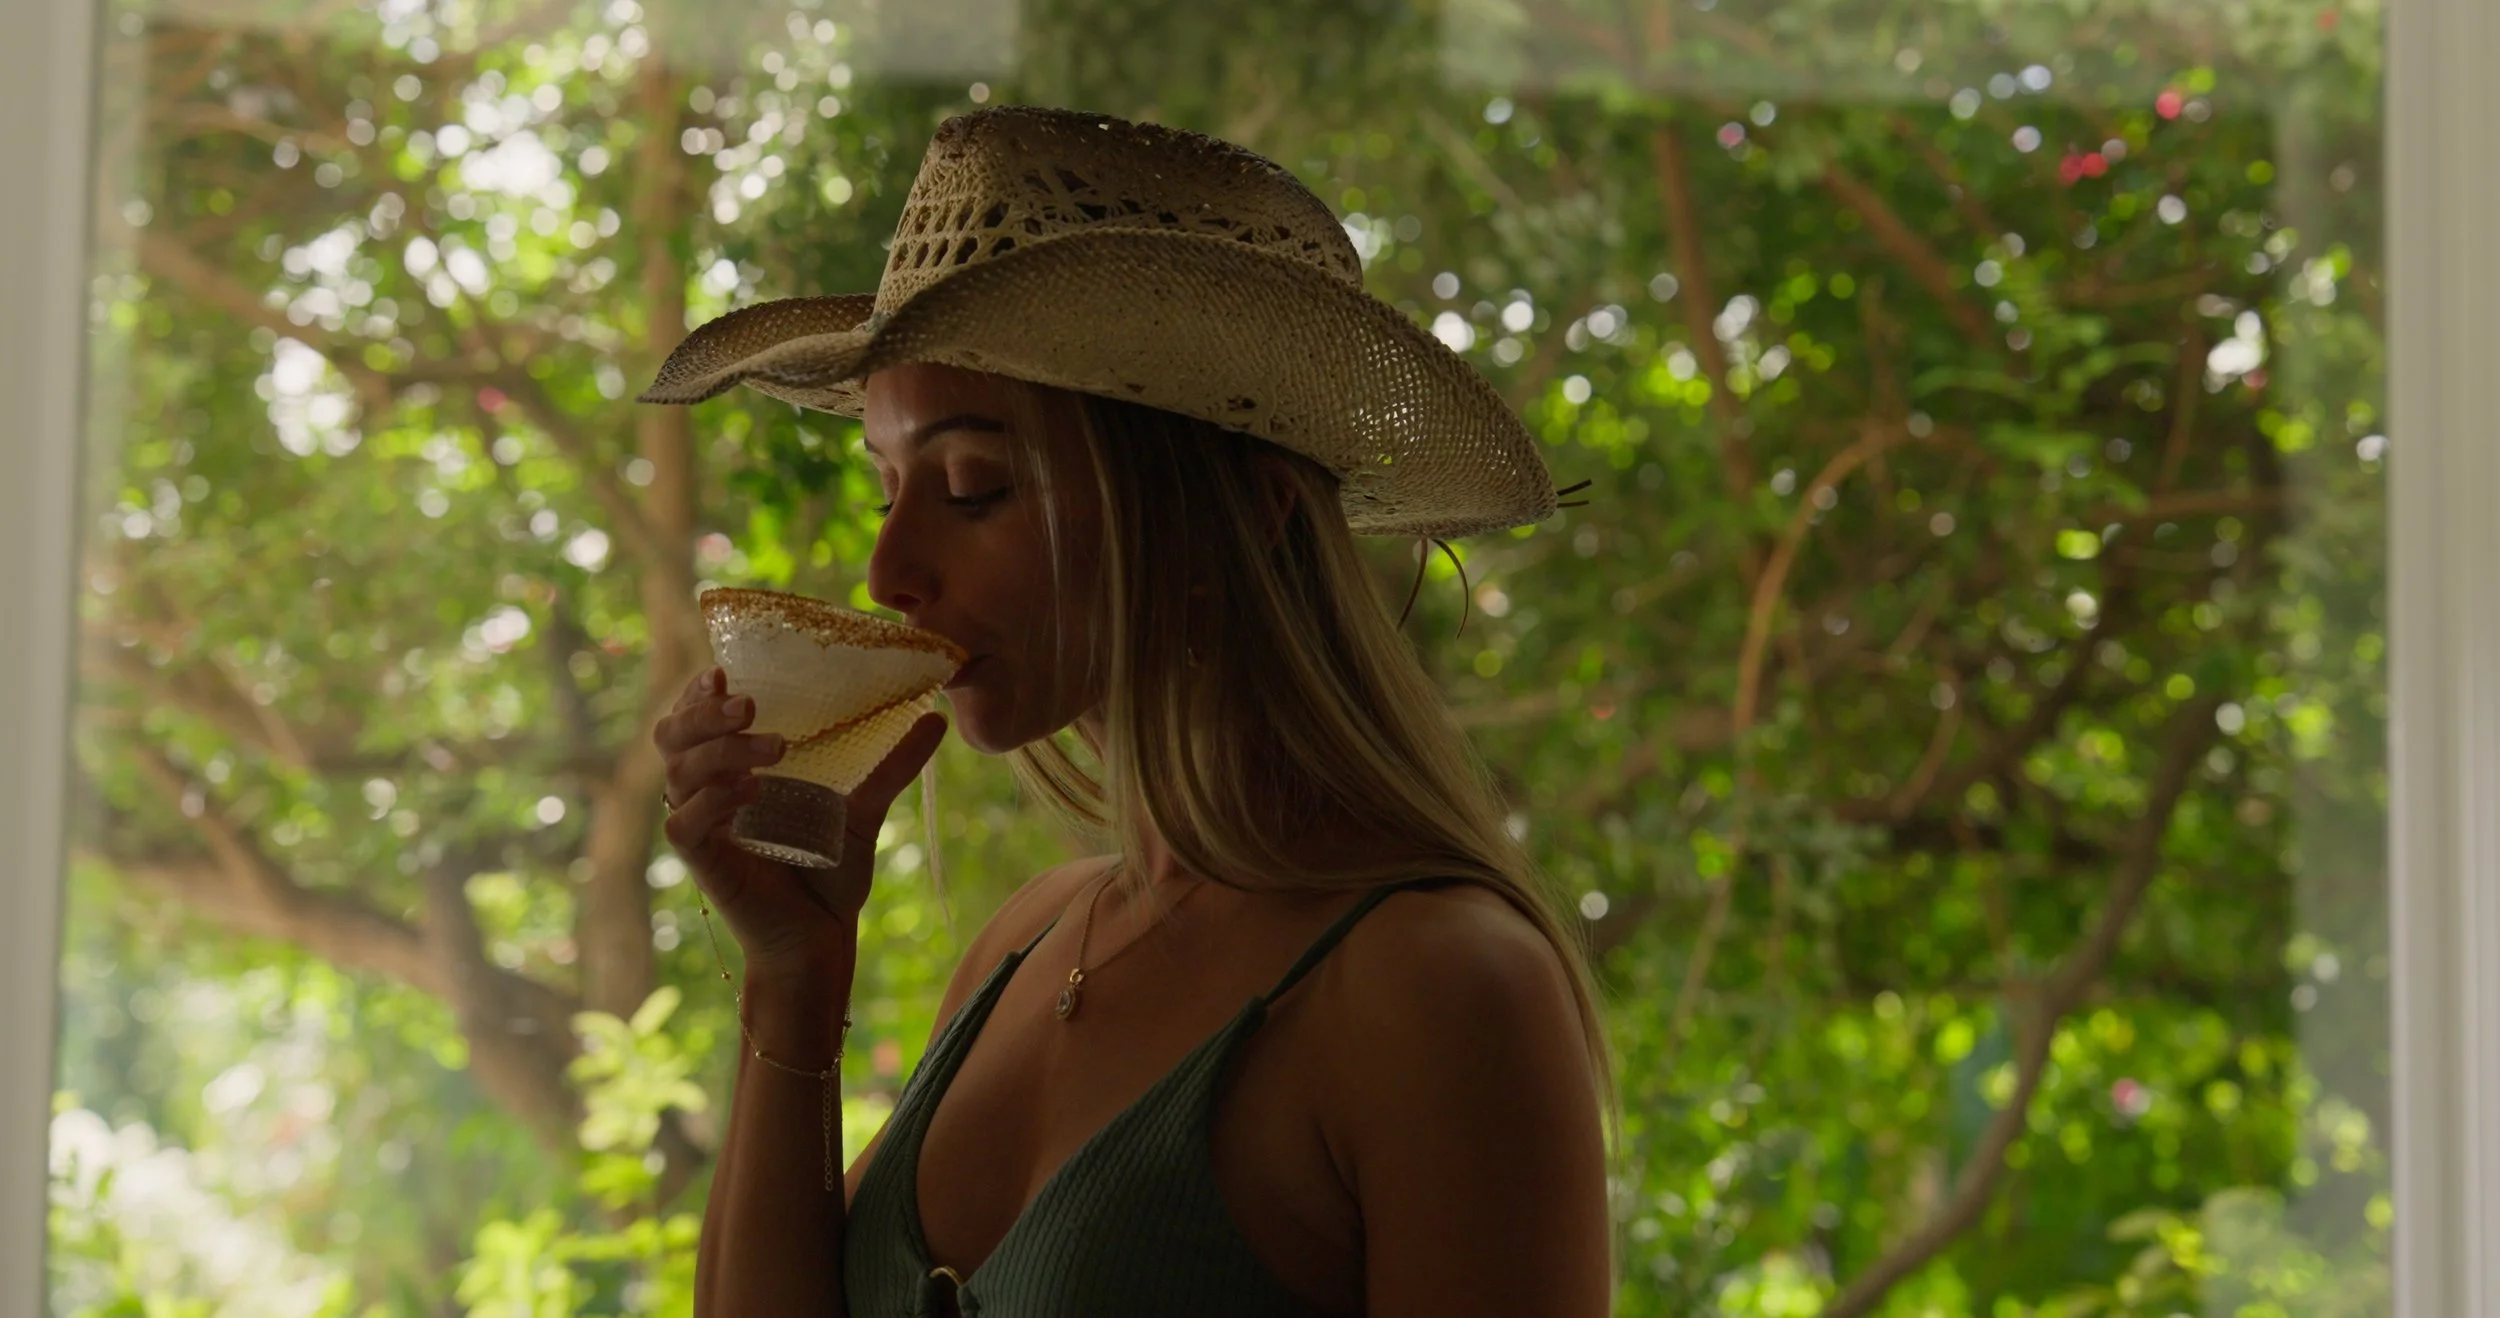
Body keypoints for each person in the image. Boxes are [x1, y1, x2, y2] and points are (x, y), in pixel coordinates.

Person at [644, 105, 1618, 1318]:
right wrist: (792, 975)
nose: (891, 569)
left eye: (973, 486)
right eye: (889, 486)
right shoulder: (1023, 943)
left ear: (1247, 514)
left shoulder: (1441, 988)